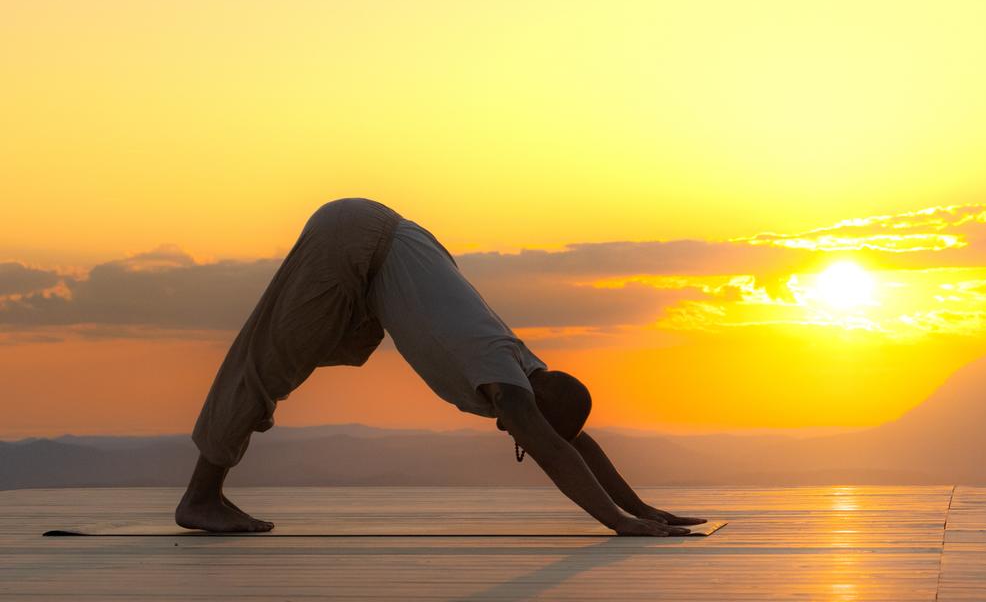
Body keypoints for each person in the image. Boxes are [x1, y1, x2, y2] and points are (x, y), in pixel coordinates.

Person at [176, 198, 702, 536]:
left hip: (383, 245)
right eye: (520, 428)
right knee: (263, 365)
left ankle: (206, 491)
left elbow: (570, 439)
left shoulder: (529, 369)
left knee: (281, 363)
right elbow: (554, 450)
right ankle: (200, 499)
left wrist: (641, 508)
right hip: (356, 243)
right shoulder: (508, 383)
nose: (508, 429)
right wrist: (618, 523)